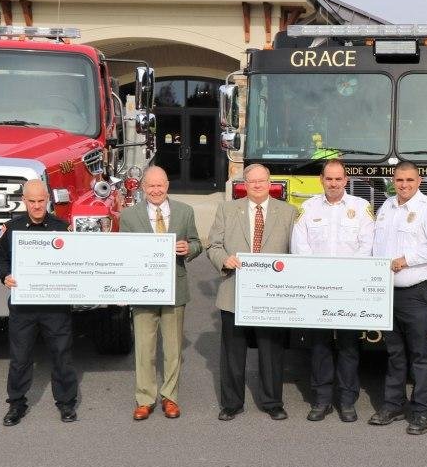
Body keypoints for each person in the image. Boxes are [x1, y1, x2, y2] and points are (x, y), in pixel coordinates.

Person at [207, 163, 297, 422]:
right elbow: (213, 244)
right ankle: (232, 403)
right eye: (251, 181)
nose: (257, 185)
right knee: (233, 353)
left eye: (261, 181)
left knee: (271, 351)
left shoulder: (289, 213)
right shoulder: (227, 210)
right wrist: (224, 259)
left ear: (270, 183)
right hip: (234, 290)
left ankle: (272, 402)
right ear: (244, 185)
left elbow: (295, 252)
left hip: (272, 295)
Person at [368, 161, 427, 435]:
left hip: (417, 294)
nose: (404, 185)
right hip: (386, 291)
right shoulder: (386, 207)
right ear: (393, 180)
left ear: (420, 181)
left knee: (419, 354)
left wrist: (406, 260)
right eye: (400, 180)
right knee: (394, 353)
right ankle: (393, 404)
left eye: (409, 180)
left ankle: (422, 411)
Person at [290, 159, 375, 423]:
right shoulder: (307, 207)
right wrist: (321, 277)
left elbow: (367, 246)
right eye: (329, 179)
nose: (334, 184)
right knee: (320, 346)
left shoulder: (361, 208)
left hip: (350, 290)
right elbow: (299, 247)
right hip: (319, 289)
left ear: (346, 180)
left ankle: (347, 401)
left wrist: (346, 277)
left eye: (339, 179)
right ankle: (322, 400)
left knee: (349, 346)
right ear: (321, 180)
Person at [0, 179, 78, 425]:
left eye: (41, 201)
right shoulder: (11, 229)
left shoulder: (62, 228)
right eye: (32, 201)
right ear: (24, 201)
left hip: (56, 306)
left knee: (62, 354)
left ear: (48, 199)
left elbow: (78, 261)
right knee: (20, 358)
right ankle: (16, 404)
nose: (37, 206)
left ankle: (66, 403)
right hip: (24, 307)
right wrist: (5, 276)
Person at [119, 166, 202, 421]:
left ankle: (170, 397)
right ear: (143, 187)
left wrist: (188, 248)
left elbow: (198, 243)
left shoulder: (185, 212)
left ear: (167, 186)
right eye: (150, 186)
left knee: (173, 349)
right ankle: (144, 399)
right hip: (143, 291)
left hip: (174, 288)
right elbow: (122, 251)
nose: (156, 190)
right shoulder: (129, 216)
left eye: (160, 186)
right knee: (144, 348)